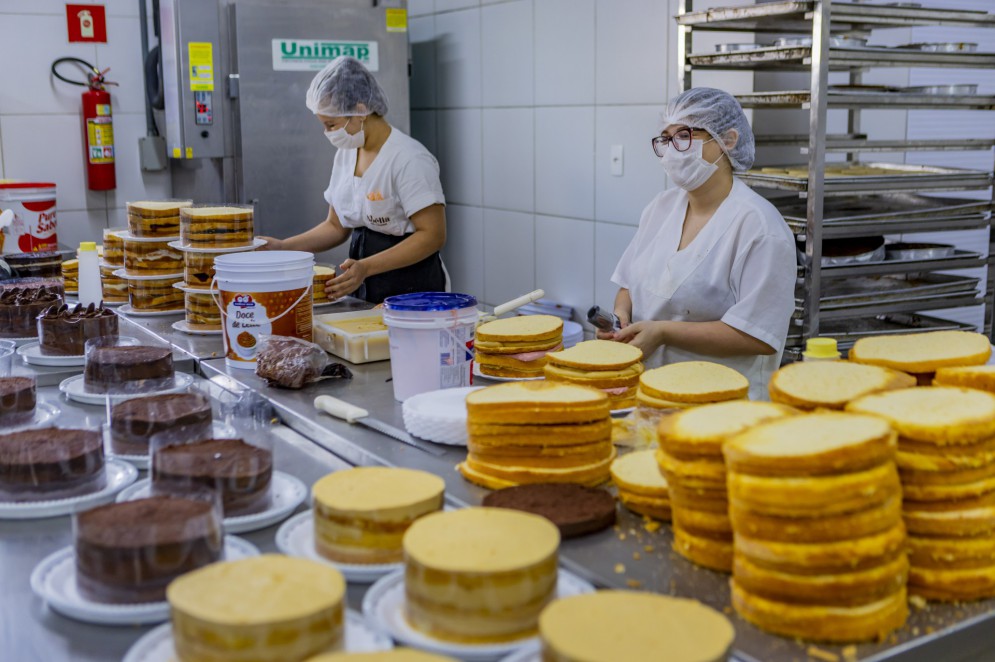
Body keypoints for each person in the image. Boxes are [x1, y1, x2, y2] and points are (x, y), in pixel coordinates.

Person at [602, 88, 796, 400]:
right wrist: (619, 319)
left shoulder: (759, 228)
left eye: (685, 135)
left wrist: (663, 332)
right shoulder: (661, 208)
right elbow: (628, 284)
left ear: (728, 140)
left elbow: (758, 334)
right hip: (652, 393)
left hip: (723, 404)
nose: (673, 151)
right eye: (666, 139)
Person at [258, 57, 447, 304]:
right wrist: (283, 248)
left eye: (331, 124)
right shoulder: (346, 154)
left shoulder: (409, 159)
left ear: (360, 110)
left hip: (413, 288)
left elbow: (432, 235)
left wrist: (366, 267)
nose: (328, 133)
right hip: (367, 285)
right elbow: (336, 226)